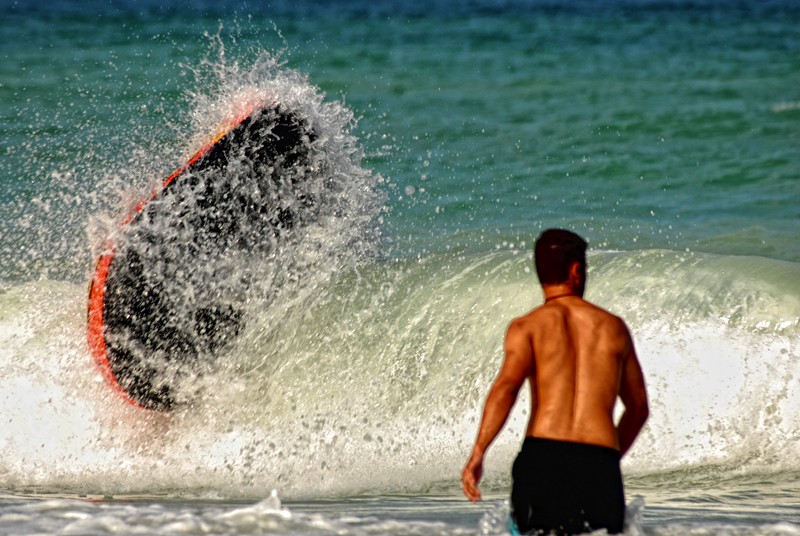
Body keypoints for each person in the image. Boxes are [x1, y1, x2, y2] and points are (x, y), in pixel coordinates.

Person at [461, 229, 649, 535]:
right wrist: (606, 460)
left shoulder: (528, 327)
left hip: (543, 457)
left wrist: (478, 452)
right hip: (597, 457)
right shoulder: (613, 328)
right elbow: (638, 408)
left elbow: (505, 388)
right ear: (576, 271)